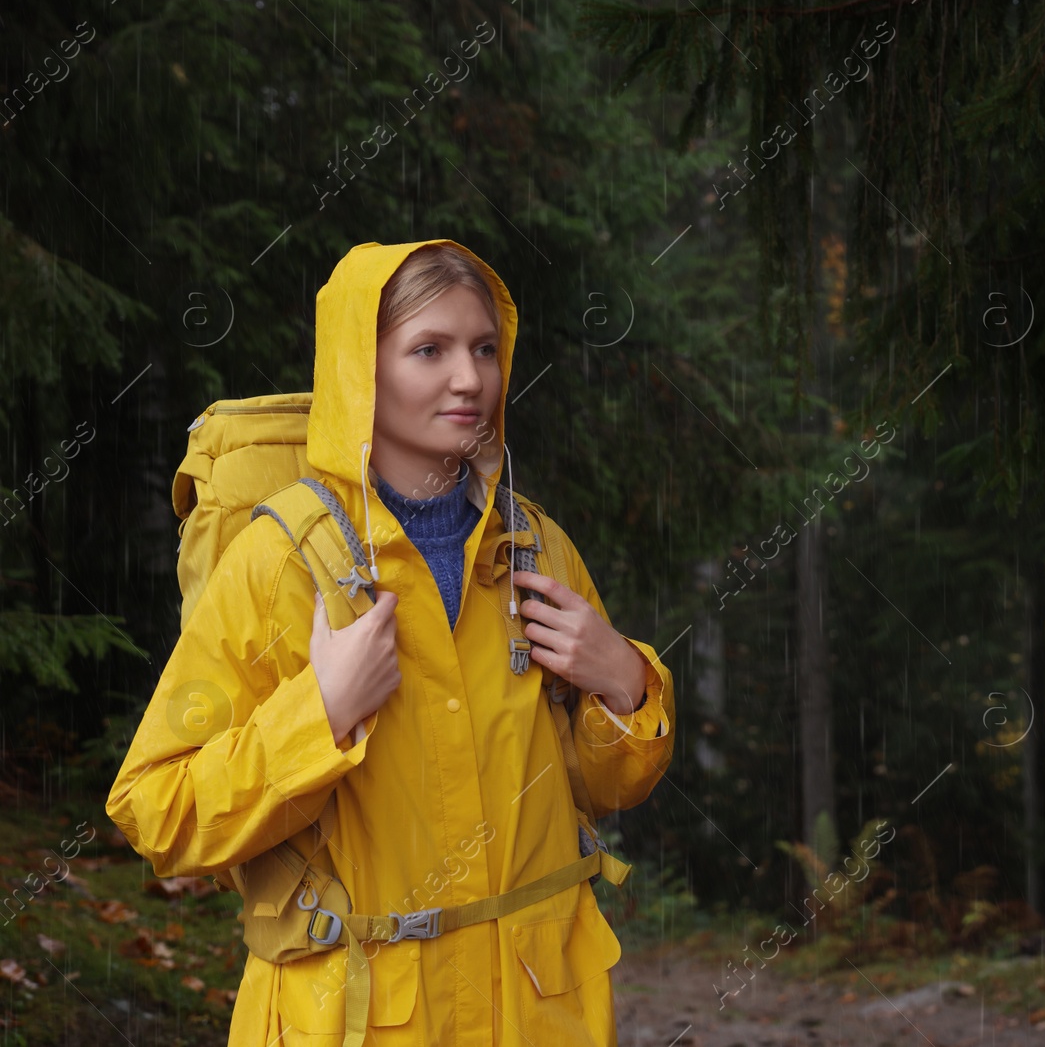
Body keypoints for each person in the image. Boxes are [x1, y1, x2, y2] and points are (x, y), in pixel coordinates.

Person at [104, 239, 675, 1046]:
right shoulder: (279, 564)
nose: (470, 378)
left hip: (536, 1018)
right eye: (428, 350)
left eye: (483, 347)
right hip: (358, 1022)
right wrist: (320, 715)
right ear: (357, 371)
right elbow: (156, 812)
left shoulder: (536, 548)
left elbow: (597, 789)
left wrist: (625, 684)